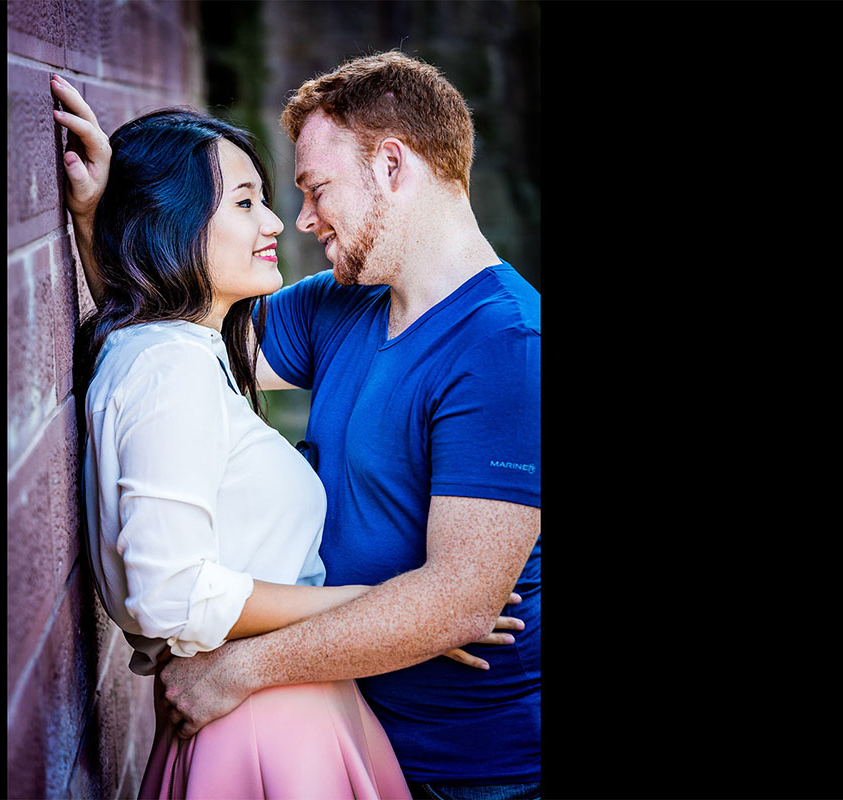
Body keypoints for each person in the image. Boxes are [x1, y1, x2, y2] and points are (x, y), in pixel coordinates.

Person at [50, 77, 524, 800]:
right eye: (264, 199)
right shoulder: (339, 306)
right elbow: (173, 332)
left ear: (391, 167)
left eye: (315, 188)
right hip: (325, 714)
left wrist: (238, 668)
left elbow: (460, 605)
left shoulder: (507, 346)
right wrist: (105, 221)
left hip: (465, 766)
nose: (299, 220)